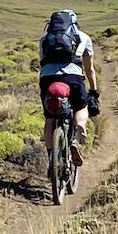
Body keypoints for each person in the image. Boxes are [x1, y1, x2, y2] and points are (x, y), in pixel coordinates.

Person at [37, 9, 99, 169]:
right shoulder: (83, 37)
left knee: (50, 118)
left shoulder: (44, 39)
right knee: (81, 107)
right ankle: (76, 139)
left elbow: (42, 61)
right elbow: (90, 69)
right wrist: (93, 90)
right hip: (73, 77)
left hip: (47, 78)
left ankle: (52, 156)